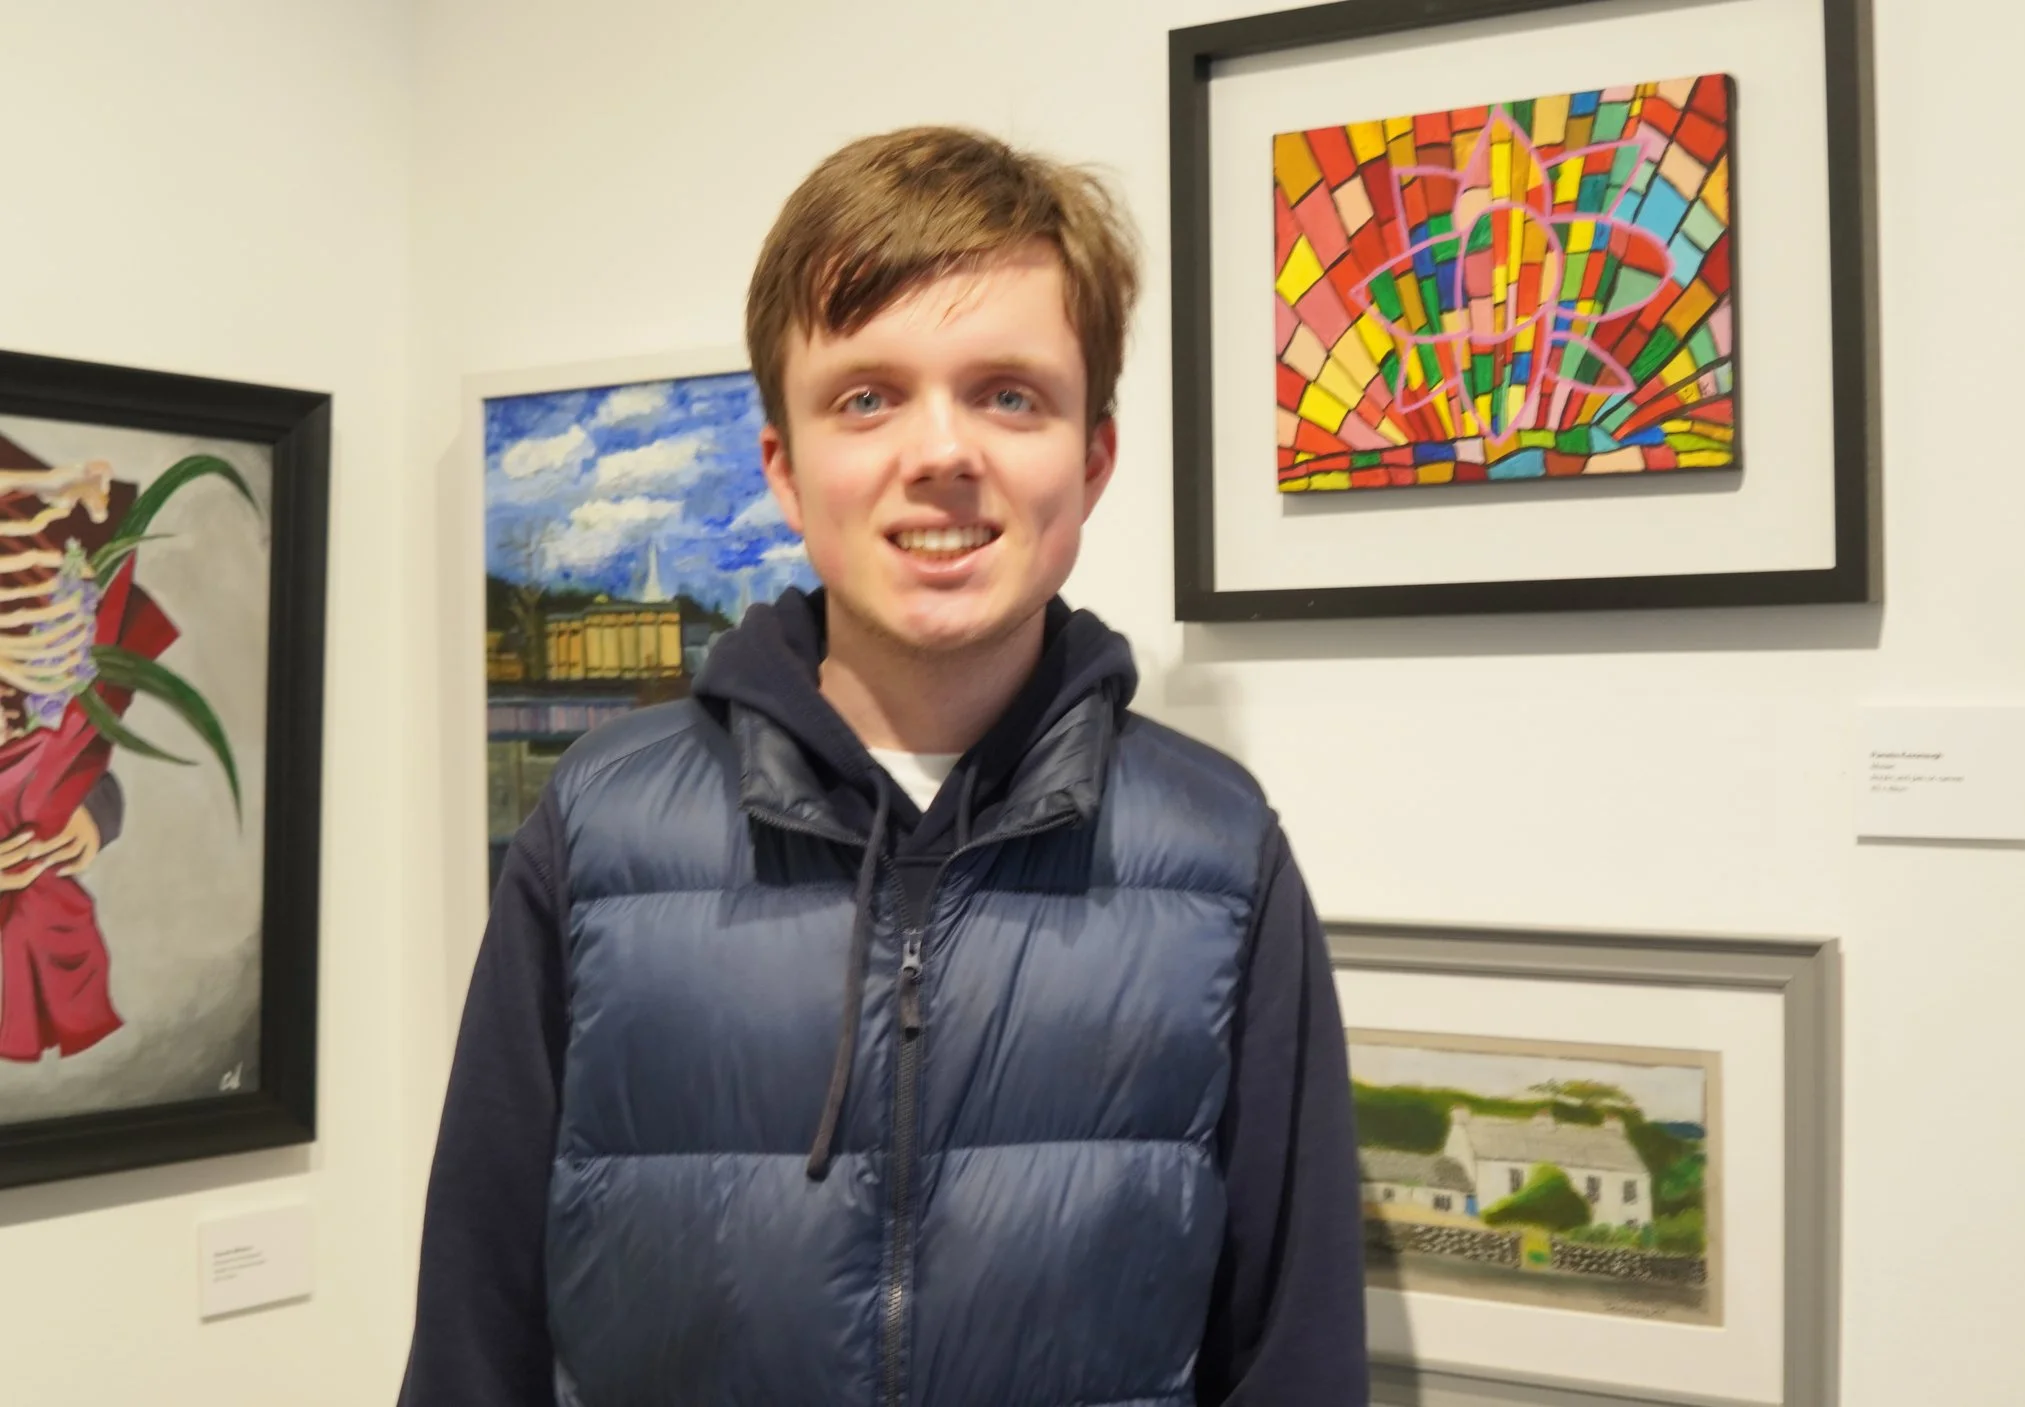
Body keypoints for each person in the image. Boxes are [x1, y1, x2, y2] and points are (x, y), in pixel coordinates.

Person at [398, 127, 1368, 1406]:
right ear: (785, 471)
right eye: (867, 396)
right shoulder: (595, 832)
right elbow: (477, 1336)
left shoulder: (1221, 855)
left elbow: (1294, 1357)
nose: (941, 452)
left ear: (1092, 462)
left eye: (1008, 393)